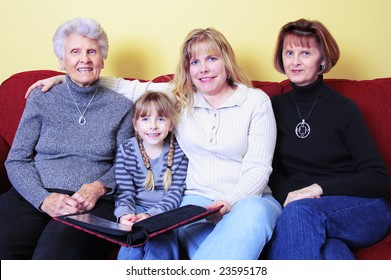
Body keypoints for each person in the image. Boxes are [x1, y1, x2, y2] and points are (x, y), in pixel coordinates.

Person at [25, 27, 282, 260]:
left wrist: (228, 202)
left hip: (247, 199)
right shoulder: (181, 97)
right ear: (188, 69)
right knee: (175, 235)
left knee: (255, 212)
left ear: (226, 62)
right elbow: (131, 88)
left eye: (211, 59)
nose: (203, 69)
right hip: (194, 204)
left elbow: (259, 169)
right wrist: (67, 79)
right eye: (195, 62)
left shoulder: (255, 102)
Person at [0, 18, 133, 259]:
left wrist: (98, 187)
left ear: (102, 59)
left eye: (92, 51)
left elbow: (125, 164)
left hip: (90, 203)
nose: (85, 59)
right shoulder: (42, 98)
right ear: (62, 61)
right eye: (75, 52)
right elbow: (16, 160)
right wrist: (44, 199)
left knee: (52, 258)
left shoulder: (122, 107)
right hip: (33, 194)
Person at [267, 18, 391, 259]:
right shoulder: (272, 107)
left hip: (362, 208)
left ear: (322, 60)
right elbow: (270, 169)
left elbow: (378, 177)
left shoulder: (344, 109)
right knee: (331, 250)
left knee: (300, 213)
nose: (294, 61)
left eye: (305, 53)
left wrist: (317, 189)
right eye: (289, 52)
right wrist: (292, 195)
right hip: (306, 211)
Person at [115, 90, 188, 260]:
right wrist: (125, 214)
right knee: (131, 246)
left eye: (161, 119)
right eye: (145, 119)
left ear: (171, 124)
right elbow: (125, 191)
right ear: (135, 125)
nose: (153, 126)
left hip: (165, 212)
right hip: (136, 209)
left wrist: (151, 216)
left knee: (161, 244)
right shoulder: (127, 150)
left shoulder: (179, 152)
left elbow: (175, 193)